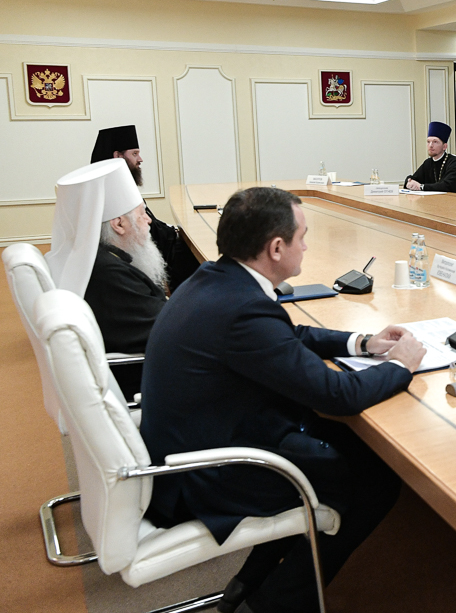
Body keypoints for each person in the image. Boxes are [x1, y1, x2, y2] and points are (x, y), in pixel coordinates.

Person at [140, 186, 426, 613]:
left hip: (193, 443)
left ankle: (250, 582)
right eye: (302, 237)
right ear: (276, 248)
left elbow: (285, 336)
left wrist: (362, 342)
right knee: (375, 481)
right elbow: (337, 395)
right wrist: (402, 365)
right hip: (207, 474)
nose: (306, 246)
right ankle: (277, 602)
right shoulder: (243, 309)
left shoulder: (216, 279)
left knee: (353, 453)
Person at [47, 158, 167, 398]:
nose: (148, 220)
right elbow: (167, 331)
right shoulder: (109, 275)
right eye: (141, 214)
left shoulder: (97, 260)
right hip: (147, 382)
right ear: (119, 224)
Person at [91, 124, 201, 291]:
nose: (140, 159)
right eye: (135, 154)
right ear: (118, 156)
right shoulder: (111, 193)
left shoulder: (123, 185)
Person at [404, 121, 456, 194]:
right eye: (428, 142)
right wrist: (409, 182)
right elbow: (415, 178)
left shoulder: (454, 162)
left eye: (435, 142)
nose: (430, 145)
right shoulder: (428, 163)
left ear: (444, 146)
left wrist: (421, 187)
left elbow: (447, 186)